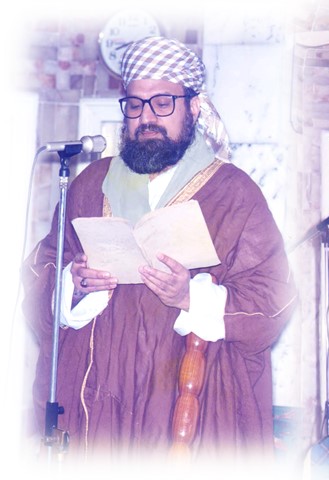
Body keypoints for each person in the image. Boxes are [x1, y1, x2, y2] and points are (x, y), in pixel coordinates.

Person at [21, 36, 297, 465]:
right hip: (97, 411)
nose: (146, 117)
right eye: (135, 104)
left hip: (191, 411)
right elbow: (41, 271)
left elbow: (274, 303)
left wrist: (190, 297)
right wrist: (71, 286)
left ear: (194, 107)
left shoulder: (234, 193)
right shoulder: (89, 184)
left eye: (162, 103)